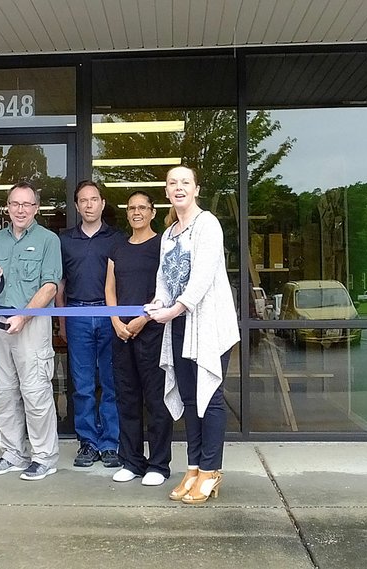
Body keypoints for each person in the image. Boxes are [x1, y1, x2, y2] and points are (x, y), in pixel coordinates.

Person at [144, 166, 239, 504]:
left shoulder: (208, 224)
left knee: (209, 397)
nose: (179, 188)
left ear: (196, 189)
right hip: (180, 324)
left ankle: (212, 471)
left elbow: (201, 278)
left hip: (208, 324)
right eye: (172, 183)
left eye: (185, 182)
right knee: (188, 400)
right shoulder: (169, 233)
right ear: (167, 192)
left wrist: (173, 309)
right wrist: (158, 303)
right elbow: (163, 279)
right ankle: (195, 466)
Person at [0, 181, 63, 481]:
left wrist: (24, 316)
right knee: (2, 393)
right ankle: (13, 454)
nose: (20, 210)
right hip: (1, 324)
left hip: (32, 325)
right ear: (7, 206)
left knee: (35, 393)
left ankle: (44, 457)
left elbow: (50, 286)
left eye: (26, 204)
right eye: (15, 204)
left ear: (36, 208)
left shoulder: (48, 240)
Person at [106, 191, 173, 487]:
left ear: (153, 212)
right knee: (127, 399)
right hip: (121, 334)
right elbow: (110, 289)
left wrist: (143, 319)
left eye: (142, 207)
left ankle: (159, 464)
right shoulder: (117, 248)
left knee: (157, 402)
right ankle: (131, 461)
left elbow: (169, 289)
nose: (136, 212)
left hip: (154, 332)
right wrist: (116, 321)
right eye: (132, 207)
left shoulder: (163, 245)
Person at [56, 180, 122, 468]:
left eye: (94, 199)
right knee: (82, 385)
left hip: (109, 315)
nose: (89, 204)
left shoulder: (117, 239)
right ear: (76, 206)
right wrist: (61, 321)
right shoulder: (65, 239)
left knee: (111, 383)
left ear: (102, 204)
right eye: (83, 200)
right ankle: (88, 442)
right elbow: (59, 284)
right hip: (77, 314)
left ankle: (110, 443)